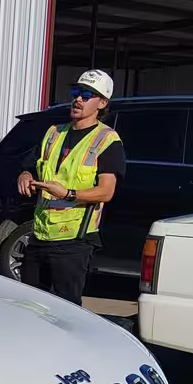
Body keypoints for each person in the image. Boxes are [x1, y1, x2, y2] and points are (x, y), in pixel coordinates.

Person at [17, 69, 126, 306]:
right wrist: (24, 175)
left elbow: (106, 191)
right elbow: (30, 166)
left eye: (86, 95)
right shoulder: (54, 133)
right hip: (40, 234)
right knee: (29, 304)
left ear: (102, 103)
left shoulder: (107, 140)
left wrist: (68, 194)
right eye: (76, 92)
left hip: (73, 240)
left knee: (66, 309)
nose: (78, 99)